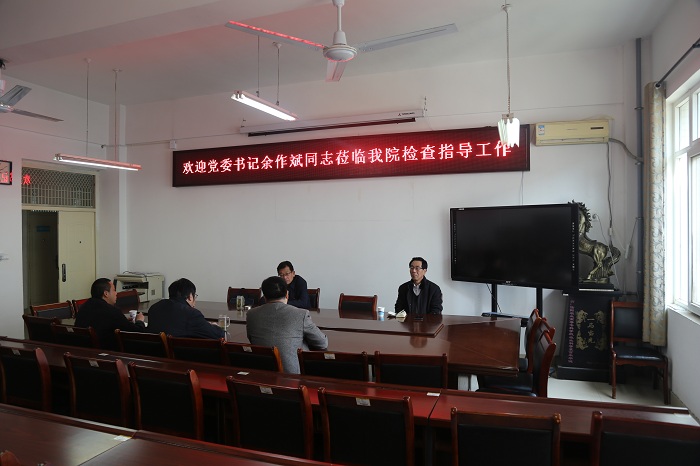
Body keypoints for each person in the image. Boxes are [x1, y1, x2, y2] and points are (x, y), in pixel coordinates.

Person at [246, 276, 327, 374]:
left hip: (262, 373)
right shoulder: (301, 314)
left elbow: (251, 339)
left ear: (264, 297)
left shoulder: (251, 314)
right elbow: (322, 343)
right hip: (292, 376)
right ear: (287, 294)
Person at [74, 278, 147, 350]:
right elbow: (137, 333)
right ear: (106, 293)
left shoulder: (84, 307)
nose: (116, 293)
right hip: (107, 353)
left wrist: (123, 321)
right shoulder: (112, 311)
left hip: (82, 351)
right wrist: (139, 321)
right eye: (114, 290)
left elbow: (101, 322)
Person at [147, 278, 225, 339]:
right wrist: (213, 326)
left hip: (155, 354)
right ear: (190, 296)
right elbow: (218, 335)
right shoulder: (192, 314)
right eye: (195, 296)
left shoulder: (154, 308)